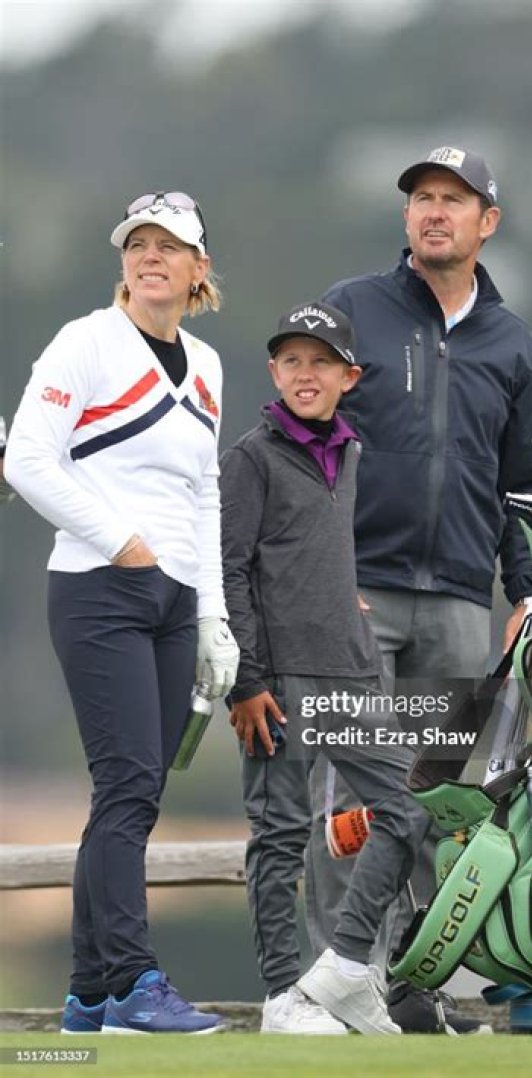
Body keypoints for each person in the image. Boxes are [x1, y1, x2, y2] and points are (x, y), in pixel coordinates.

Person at [304, 144, 532, 1033]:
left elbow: (520, 480)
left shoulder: (512, 341)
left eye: (455, 199)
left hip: (457, 600)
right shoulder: (352, 309)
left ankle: (408, 988)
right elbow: (303, 444)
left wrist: (521, 589)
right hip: (356, 591)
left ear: (488, 222)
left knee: (438, 799)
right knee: (352, 796)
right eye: (422, 198)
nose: (434, 211)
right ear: (406, 217)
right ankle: (335, 982)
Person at [5, 192, 239, 1035]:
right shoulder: (87, 342)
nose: (151, 256)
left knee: (132, 793)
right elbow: (28, 459)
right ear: (124, 264)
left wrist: (213, 615)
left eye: (169, 247)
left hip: (176, 601)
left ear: (197, 270)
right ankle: (136, 983)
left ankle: (90, 994)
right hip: (99, 586)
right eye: (138, 244)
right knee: (129, 784)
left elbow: (204, 492)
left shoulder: (207, 366)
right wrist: (119, 539)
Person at [219, 300, 430, 1035]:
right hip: (277, 685)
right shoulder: (250, 457)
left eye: (321, 362)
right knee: (279, 836)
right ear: (274, 371)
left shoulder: (352, 453)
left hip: (350, 674)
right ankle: (282, 997)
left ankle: (342, 966)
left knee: (408, 811)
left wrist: (343, 602)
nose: (305, 374)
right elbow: (231, 571)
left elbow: (314, 553)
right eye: (292, 361)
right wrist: (245, 683)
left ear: (350, 376)